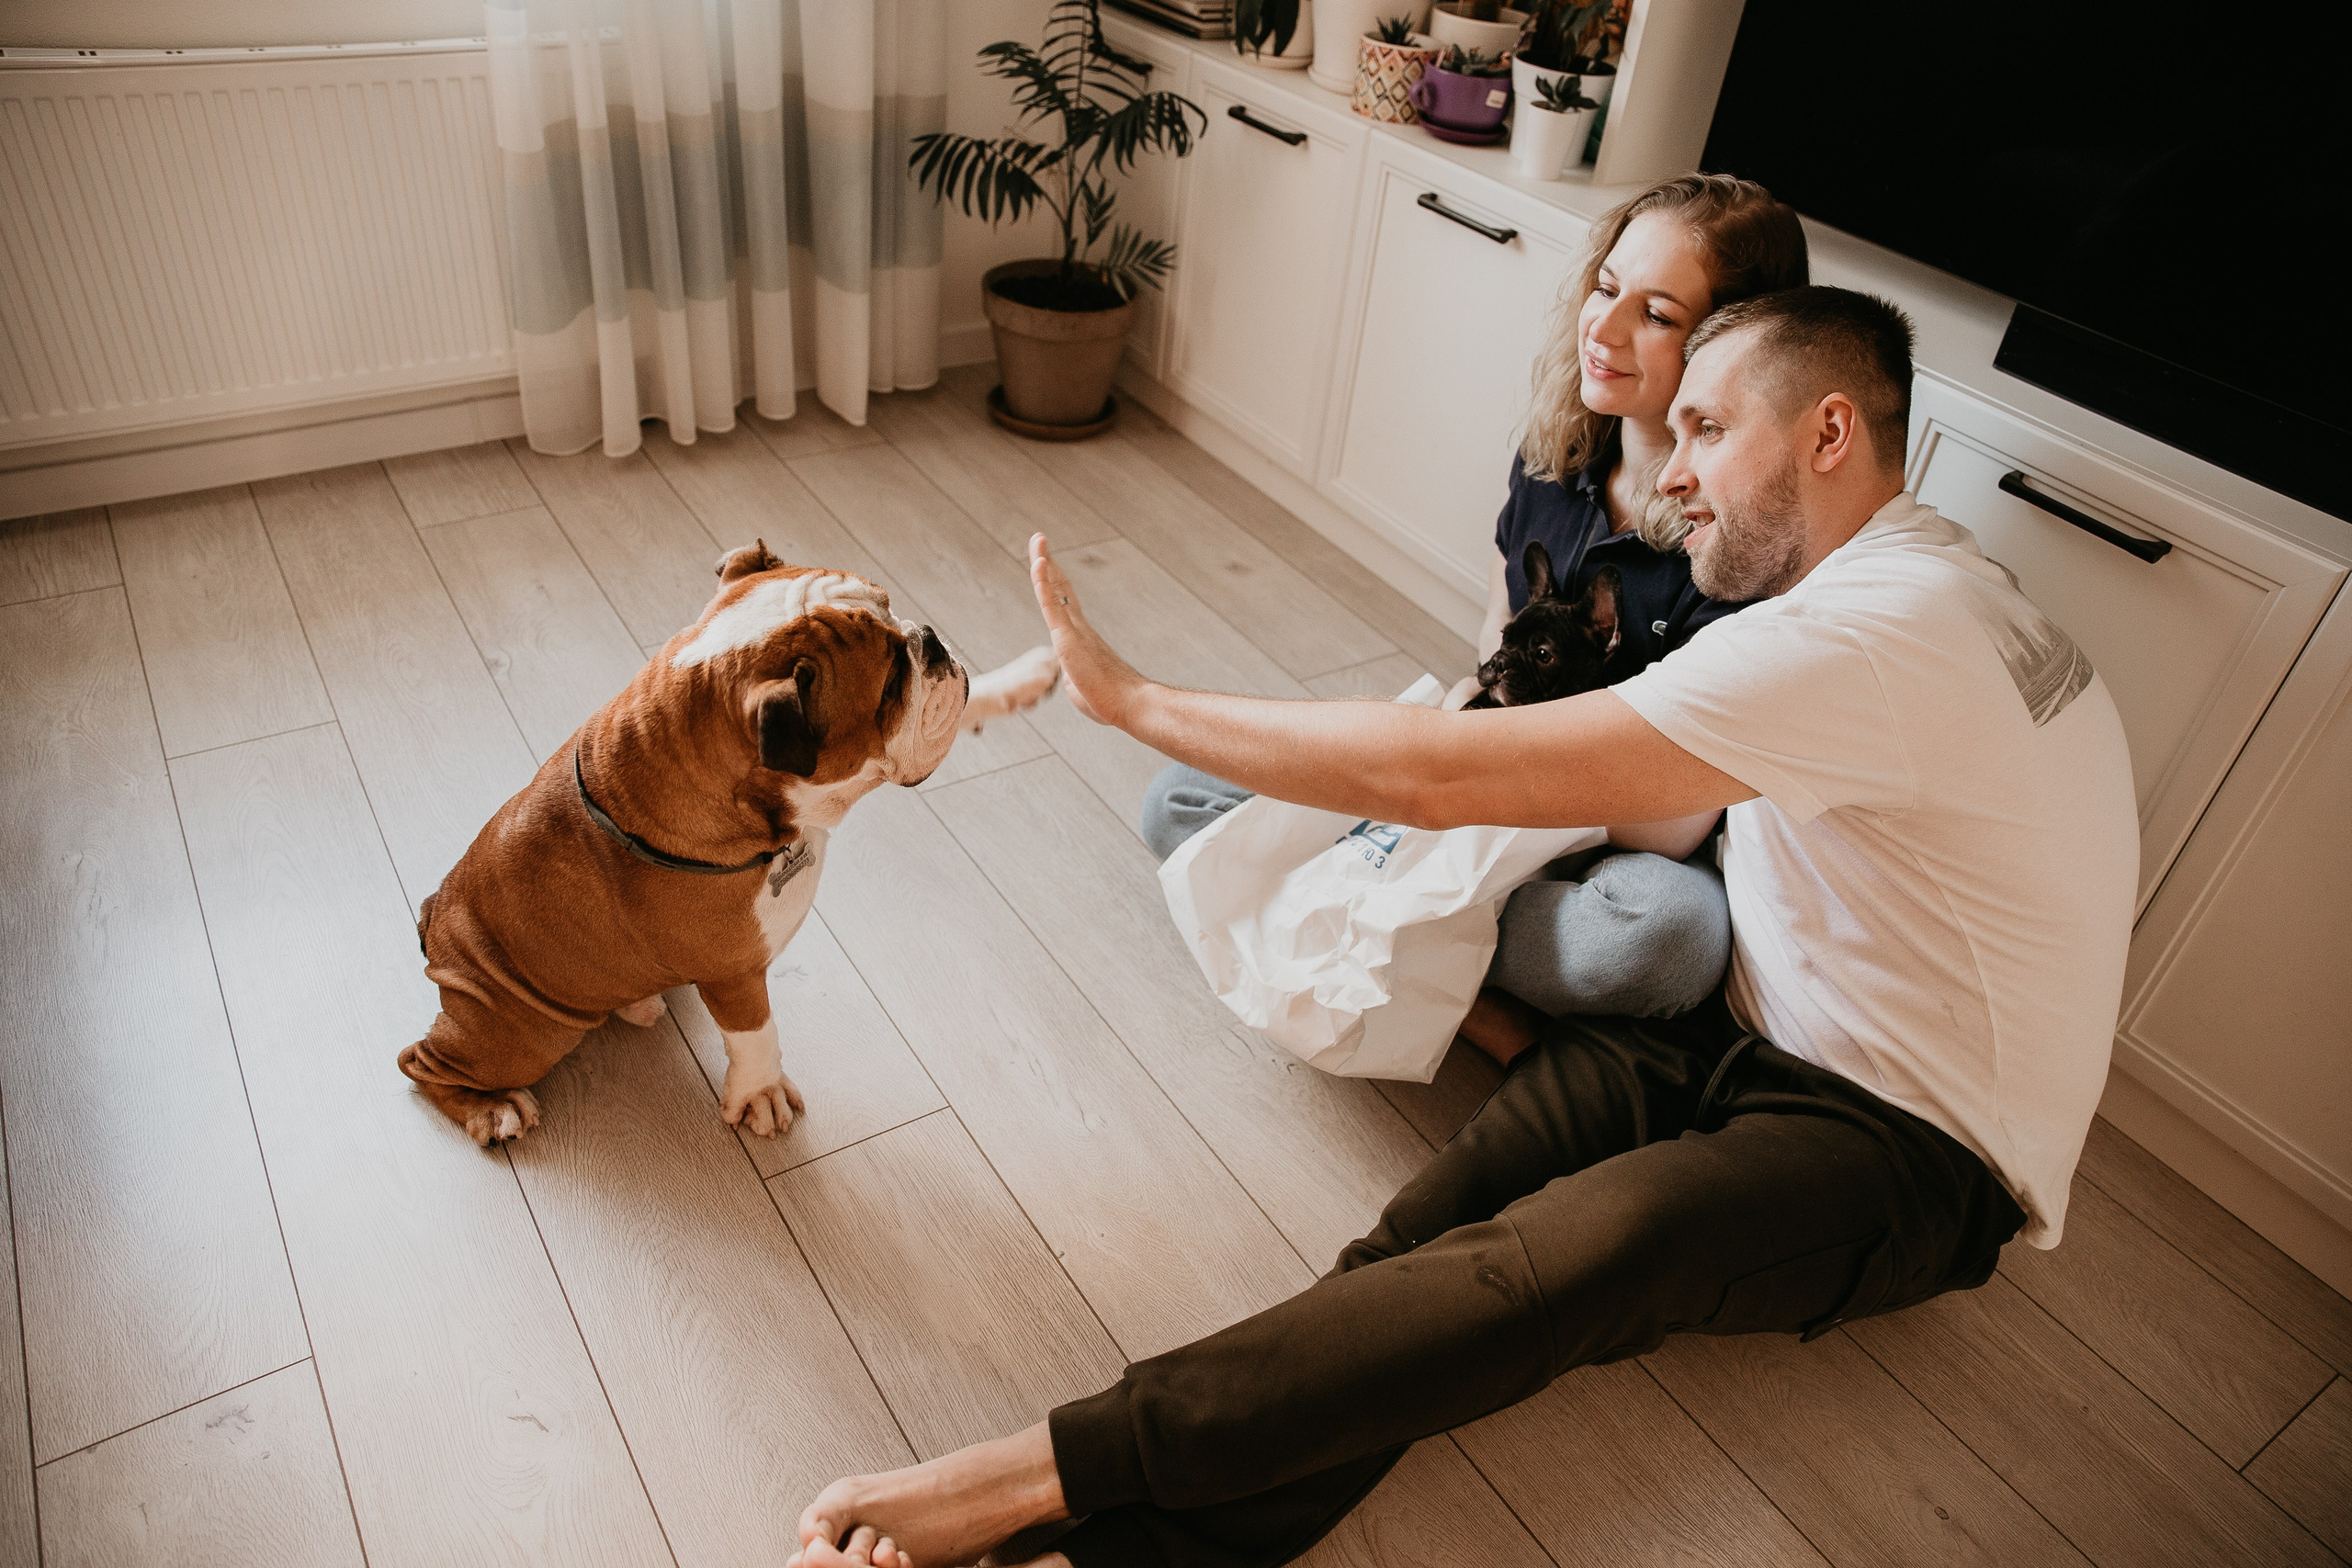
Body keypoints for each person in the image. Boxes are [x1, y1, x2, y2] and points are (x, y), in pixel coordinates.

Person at [787, 286, 2140, 1568]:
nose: (1671, 472)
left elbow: (1431, 771)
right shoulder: (1901, 585)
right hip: (1736, 1025)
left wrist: (1131, 696)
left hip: (1907, 1140)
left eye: (1709, 430)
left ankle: (1022, 1476)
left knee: (1557, 1273)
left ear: (1832, 432)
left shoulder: (1877, 632)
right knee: (1416, 1259)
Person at [1142, 175, 1809, 1045]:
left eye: (1657, 314)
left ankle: (1382, 921)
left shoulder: (1735, 547)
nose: (1603, 330)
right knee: (1176, 802)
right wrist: (1437, 774)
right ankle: (1440, 955)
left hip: (1600, 834)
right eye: (1606, 288)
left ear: (1731, 349)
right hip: (1481, 766)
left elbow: (1673, 822)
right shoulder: (1552, 454)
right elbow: (1491, 648)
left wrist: (1470, 790)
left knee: (1671, 937)